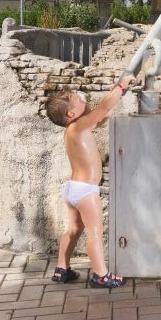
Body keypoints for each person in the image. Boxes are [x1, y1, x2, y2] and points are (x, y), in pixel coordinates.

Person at [45, 73, 138, 288]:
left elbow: (103, 115)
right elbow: (103, 110)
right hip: (86, 191)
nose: (80, 97)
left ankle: (61, 269)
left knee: (74, 229)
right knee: (94, 233)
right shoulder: (77, 126)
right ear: (71, 113)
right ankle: (100, 275)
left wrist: (117, 94)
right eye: (76, 99)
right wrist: (121, 86)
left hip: (72, 189)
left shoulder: (74, 129)